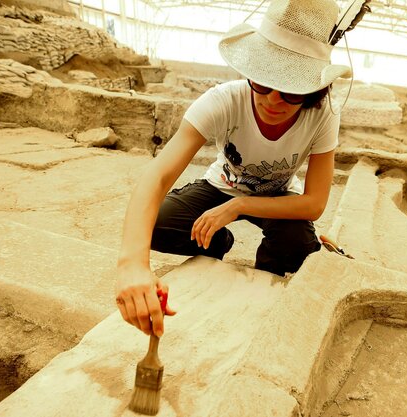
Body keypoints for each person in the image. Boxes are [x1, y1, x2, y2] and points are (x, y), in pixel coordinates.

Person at [114, 0, 353, 336]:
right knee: (154, 225)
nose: (272, 101)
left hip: (278, 195)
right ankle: (215, 242)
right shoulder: (223, 100)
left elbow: (314, 203)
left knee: (295, 248)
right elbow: (156, 177)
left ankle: (270, 268)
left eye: (291, 92)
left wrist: (238, 206)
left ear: (314, 91)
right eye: (264, 83)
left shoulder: (323, 115)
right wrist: (132, 265)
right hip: (220, 185)